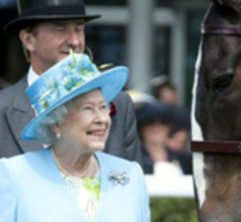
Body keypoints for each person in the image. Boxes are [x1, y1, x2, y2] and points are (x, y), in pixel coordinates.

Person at [0, 53, 150, 222]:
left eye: (103, 107)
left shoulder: (130, 175)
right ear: (56, 122)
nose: (102, 119)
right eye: (88, 109)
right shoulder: (15, 174)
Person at [0, 0, 142, 164]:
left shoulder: (120, 104)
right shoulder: (2, 108)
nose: (75, 41)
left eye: (79, 29)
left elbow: (130, 183)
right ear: (28, 40)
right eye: (60, 29)